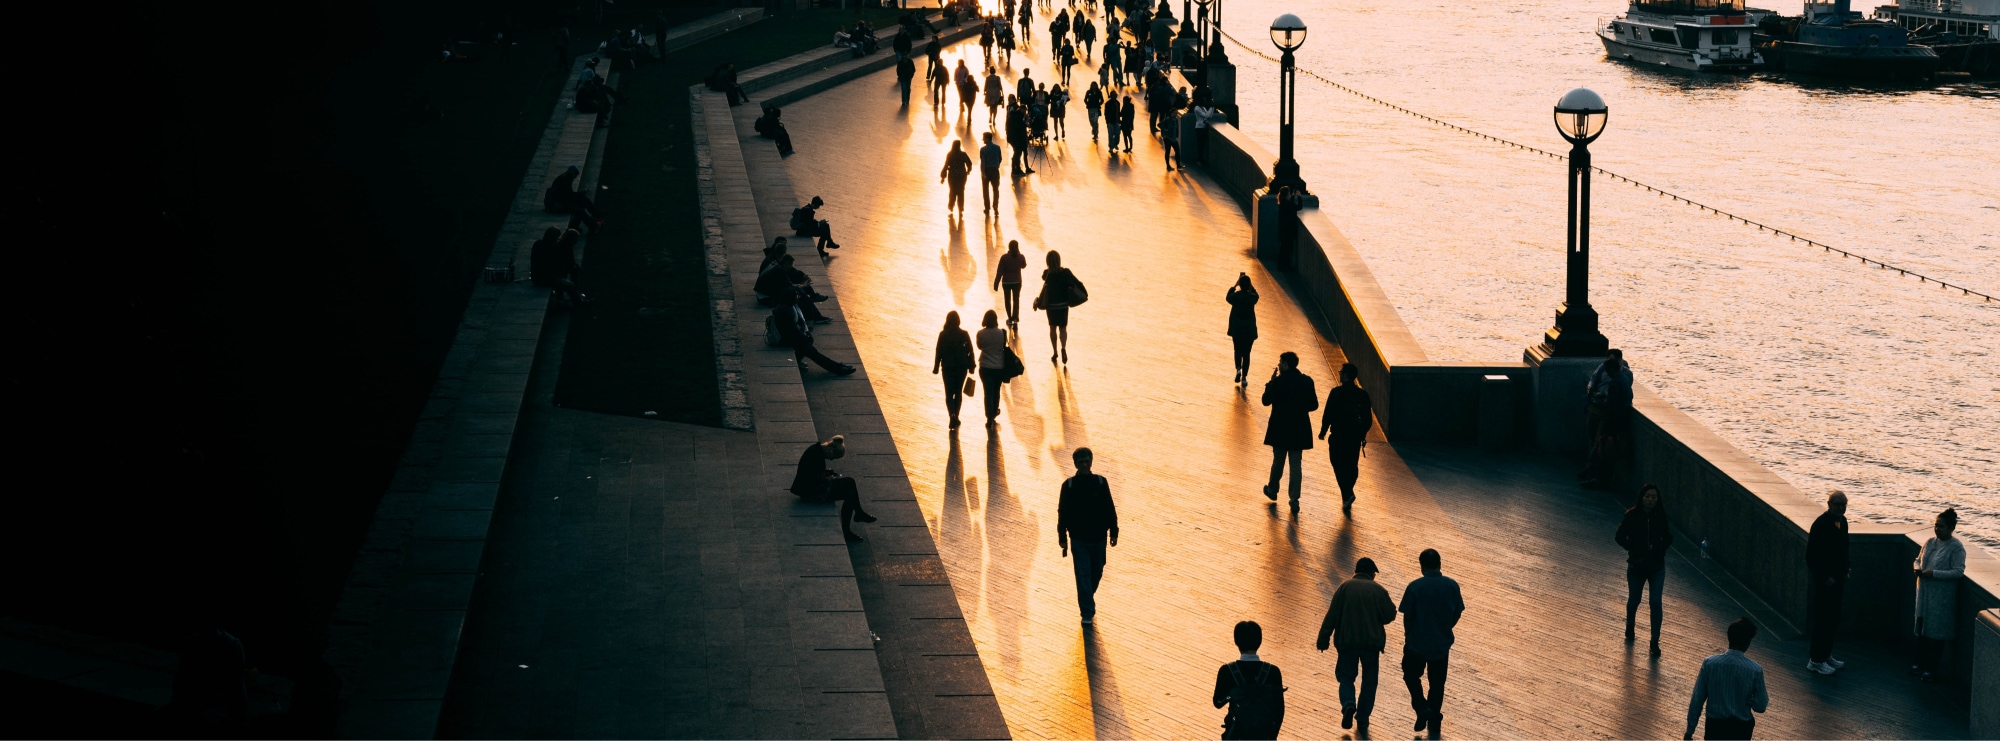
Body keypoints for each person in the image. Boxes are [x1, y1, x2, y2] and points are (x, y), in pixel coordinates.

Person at [1317, 557, 1396, 735]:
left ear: (1356, 571)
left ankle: (1348, 704)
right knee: (1369, 681)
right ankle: (1362, 717)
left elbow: (1332, 615)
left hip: (1347, 642)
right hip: (1371, 644)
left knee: (1346, 677)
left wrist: (1323, 639)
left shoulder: (1344, 588)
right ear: (1371, 573)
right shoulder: (1378, 590)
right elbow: (1389, 615)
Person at [1400, 548, 1463, 741]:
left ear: (1421, 566)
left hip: (1417, 643)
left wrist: (1408, 636)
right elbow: (1457, 612)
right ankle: (1433, 717)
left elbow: (1407, 615)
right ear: (1440, 563)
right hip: (1441, 644)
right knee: (1437, 683)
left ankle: (1421, 707)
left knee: (1410, 675)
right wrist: (1445, 627)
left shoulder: (1414, 587)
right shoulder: (1451, 586)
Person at [1057, 447, 1118, 624]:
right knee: (1083, 574)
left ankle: (1086, 596)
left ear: (1091, 461)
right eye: (1080, 462)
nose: (1084, 464)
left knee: (1096, 571)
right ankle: (1087, 612)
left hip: (1099, 538)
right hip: (1078, 539)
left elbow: (1109, 507)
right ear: (1075, 463)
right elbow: (1063, 512)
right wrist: (1062, 537)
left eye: (1086, 461)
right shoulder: (1068, 486)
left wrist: (1113, 531)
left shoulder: (1101, 482)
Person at [1684, 618, 1768, 740]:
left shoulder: (1710, 664)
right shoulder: (1755, 670)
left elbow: (1697, 699)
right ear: (1748, 642)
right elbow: (1760, 706)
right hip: (1741, 729)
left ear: (1729, 637)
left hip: (1715, 726)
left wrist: (1690, 730)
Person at [1615, 483, 1673, 657]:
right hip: (1637, 566)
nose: (1650, 500)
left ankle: (1654, 641)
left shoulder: (1660, 516)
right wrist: (1632, 549)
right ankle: (1630, 627)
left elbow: (1668, 537)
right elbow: (1619, 537)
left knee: (1655, 602)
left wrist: (1659, 549)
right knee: (1634, 600)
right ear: (1642, 498)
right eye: (1647, 496)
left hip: (1656, 567)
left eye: (1654, 497)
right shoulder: (1631, 516)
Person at [1911, 507, 1965, 682]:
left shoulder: (1956, 548)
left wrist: (1934, 573)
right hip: (1924, 595)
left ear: (1951, 528)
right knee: (1922, 631)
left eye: (1941, 526)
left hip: (1941, 598)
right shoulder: (1929, 542)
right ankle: (1919, 663)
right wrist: (1917, 568)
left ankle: (1930, 669)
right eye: (1935, 525)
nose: (1937, 529)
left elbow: (1958, 572)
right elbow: (1918, 559)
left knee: (1936, 635)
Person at [791, 436, 878, 541]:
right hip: (810, 493)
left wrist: (826, 474)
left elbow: (813, 474)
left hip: (809, 489)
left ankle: (857, 516)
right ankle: (852, 523)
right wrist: (830, 479)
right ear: (831, 451)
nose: (831, 459)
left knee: (850, 486)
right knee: (849, 488)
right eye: (833, 457)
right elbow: (815, 481)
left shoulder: (816, 450)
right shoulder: (816, 456)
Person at [1260, 352, 1318, 511]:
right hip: (1299, 428)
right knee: (1295, 463)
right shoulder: (1307, 381)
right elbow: (1314, 405)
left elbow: (1265, 401)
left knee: (1278, 460)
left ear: (1285, 364)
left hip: (1280, 427)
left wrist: (1270, 384)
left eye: (1280, 362)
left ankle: (1272, 489)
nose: (1278, 365)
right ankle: (1294, 499)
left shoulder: (1278, 382)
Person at [1213, 621, 1286, 740]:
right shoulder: (1273, 671)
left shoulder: (1227, 671)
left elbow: (1218, 703)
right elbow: (1279, 710)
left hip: (1236, 734)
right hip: (1263, 735)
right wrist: (1272, 736)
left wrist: (1233, 694)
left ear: (1236, 641)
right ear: (1259, 642)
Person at [1805, 490, 1849, 675]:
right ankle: (1815, 660)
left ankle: (1825, 654)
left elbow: (1845, 548)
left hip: (1838, 580)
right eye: (1837, 504)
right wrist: (1825, 578)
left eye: (1843, 504)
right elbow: (1811, 556)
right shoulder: (1820, 524)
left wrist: (1847, 568)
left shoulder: (1843, 522)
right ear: (1829, 504)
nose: (1840, 507)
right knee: (1822, 620)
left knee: (1833, 619)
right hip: (1824, 583)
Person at [1319, 363, 1372, 512]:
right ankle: (1347, 494)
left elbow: (1328, 414)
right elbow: (1368, 419)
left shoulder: (1336, 392)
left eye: (1341, 372)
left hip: (1338, 436)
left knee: (1337, 464)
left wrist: (1323, 431)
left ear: (1346, 375)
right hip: (1354, 437)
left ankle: (1347, 493)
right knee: (1351, 465)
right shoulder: (1363, 395)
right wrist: (1362, 433)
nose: (1339, 374)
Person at [1579, 348, 1633, 488]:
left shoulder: (1619, 379)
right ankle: (1594, 472)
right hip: (1608, 414)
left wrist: (1604, 398)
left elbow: (1612, 404)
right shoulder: (1615, 375)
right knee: (1598, 442)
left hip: (1611, 418)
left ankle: (1595, 474)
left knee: (1602, 446)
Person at [773, 302, 856, 376]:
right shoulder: (786, 311)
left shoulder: (787, 307)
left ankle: (838, 367)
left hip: (790, 338)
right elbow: (793, 331)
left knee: (812, 351)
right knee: (813, 353)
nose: (797, 297)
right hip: (786, 340)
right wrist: (805, 337)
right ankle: (839, 368)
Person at [1034, 250, 1082, 364]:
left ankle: (1055, 352)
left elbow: (1044, 287)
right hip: (1063, 306)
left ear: (1047, 262)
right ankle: (1063, 348)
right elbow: (1075, 283)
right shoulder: (1065, 273)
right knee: (1063, 329)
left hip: (1051, 306)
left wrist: (1038, 302)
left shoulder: (1047, 274)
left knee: (1052, 328)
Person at [933, 311, 977, 430]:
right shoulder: (964, 334)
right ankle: (956, 415)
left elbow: (939, 351)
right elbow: (970, 350)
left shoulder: (943, 334)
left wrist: (936, 366)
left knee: (948, 393)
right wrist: (972, 365)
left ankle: (952, 414)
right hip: (961, 367)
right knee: (958, 392)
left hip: (947, 367)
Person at [530, 226, 587, 305]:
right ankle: (579, 302)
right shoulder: (551, 248)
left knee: (566, 273)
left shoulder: (538, 244)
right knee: (570, 285)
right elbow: (553, 266)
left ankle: (562, 298)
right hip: (544, 278)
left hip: (539, 275)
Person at [542, 165, 603, 233]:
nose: (575, 177)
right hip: (556, 205)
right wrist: (579, 193)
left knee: (582, 201)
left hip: (560, 202)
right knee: (580, 210)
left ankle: (576, 225)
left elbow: (568, 195)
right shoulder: (566, 180)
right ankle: (593, 226)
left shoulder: (563, 178)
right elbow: (567, 197)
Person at [976, 310, 1011, 425]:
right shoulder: (1002, 333)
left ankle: (989, 417)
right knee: (996, 391)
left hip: (985, 367)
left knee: (988, 392)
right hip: (998, 367)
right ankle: (994, 411)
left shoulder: (980, 333)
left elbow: (980, 346)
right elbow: (1003, 346)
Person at [1226, 274, 1257, 385]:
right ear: (1248, 285)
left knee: (1237, 350)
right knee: (1247, 353)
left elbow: (1228, 296)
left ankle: (1238, 369)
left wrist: (1235, 285)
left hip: (1237, 329)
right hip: (1249, 331)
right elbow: (1256, 295)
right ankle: (1244, 377)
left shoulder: (1235, 297)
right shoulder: (1251, 298)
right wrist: (1250, 286)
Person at [995, 240, 1028, 327]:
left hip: (1006, 282)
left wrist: (996, 283)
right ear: (1017, 247)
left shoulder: (1004, 258)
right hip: (1017, 282)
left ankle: (1009, 318)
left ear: (1008, 247)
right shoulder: (1021, 257)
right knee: (1016, 300)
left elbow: (1000, 271)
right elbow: (1024, 266)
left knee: (1007, 300)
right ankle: (1015, 318)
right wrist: (1019, 253)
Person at [941, 140, 974, 216]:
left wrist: (943, 176)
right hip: (962, 176)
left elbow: (946, 165)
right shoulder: (963, 154)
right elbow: (969, 163)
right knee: (961, 191)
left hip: (952, 176)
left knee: (952, 191)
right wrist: (968, 171)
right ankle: (961, 208)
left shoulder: (950, 154)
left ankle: (951, 206)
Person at [978, 132, 1004, 216]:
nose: (983, 140)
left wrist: (983, 173)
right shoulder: (997, 148)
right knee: (995, 189)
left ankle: (987, 207)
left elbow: (983, 162)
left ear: (987, 139)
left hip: (987, 170)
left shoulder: (983, 150)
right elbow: (1000, 158)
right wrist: (997, 165)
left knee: (985, 190)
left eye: (984, 138)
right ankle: (995, 206)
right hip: (995, 170)